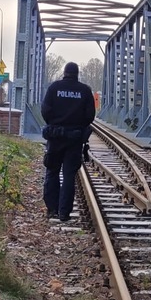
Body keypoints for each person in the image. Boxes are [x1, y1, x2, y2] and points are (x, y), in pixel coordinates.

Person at [41, 62, 96, 221]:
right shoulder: (84, 90)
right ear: (77, 74)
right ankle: (64, 213)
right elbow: (90, 116)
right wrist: (78, 126)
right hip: (74, 139)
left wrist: (54, 124)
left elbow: (45, 111)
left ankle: (52, 209)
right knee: (69, 176)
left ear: (64, 73)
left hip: (55, 137)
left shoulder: (54, 88)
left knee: (52, 172)